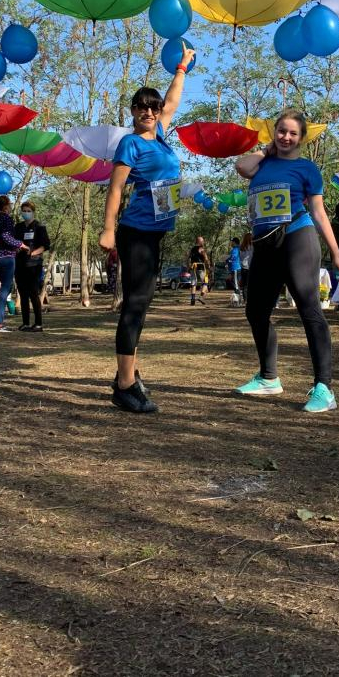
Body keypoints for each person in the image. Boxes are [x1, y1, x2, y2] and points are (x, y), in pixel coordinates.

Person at [99, 42, 195, 413]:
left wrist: (182, 68)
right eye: (141, 107)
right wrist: (109, 230)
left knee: (142, 305)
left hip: (154, 234)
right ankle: (124, 385)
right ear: (133, 112)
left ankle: (129, 373)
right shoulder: (131, 144)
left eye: (152, 108)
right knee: (135, 305)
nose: (149, 112)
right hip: (135, 231)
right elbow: (116, 187)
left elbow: (171, 102)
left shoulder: (163, 137)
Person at [234, 110, 339, 413]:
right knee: (255, 311)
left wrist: (336, 254)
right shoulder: (262, 163)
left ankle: (324, 388)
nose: (286, 137)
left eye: (292, 134)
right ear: (274, 133)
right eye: (281, 131)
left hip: (297, 236)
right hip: (264, 245)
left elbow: (320, 212)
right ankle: (269, 377)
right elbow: (241, 167)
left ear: (302, 138)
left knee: (309, 307)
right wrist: (264, 151)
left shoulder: (306, 168)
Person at [0, 195, 28, 333]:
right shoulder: (6, 218)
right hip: (6, 256)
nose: (10, 208)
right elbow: (6, 236)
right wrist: (20, 244)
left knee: (5, 288)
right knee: (6, 288)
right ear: (6, 206)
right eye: (9, 206)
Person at [13, 200, 51, 332]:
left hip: (34, 265)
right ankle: (25, 323)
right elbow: (13, 243)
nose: (26, 213)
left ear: (33, 212)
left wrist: (33, 253)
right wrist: (16, 249)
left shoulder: (39, 227)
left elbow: (45, 245)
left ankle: (38, 324)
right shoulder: (18, 227)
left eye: (29, 211)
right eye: (24, 211)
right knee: (23, 294)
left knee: (33, 293)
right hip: (20, 264)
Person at [189, 236, 210, 305]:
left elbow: (187, 258)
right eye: (202, 241)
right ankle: (201, 297)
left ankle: (192, 299)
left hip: (193, 268)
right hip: (201, 268)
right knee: (205, 282)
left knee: (193, 284)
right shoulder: (201, 249)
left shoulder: (191, 249)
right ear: (199, 242)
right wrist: (208, 266)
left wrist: (188, 266)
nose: (203, 242)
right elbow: (206, 259)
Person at [238, 232, 253, 303]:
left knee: (244, 285)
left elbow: (240, 258)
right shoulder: (253, 246)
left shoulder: (241, 247)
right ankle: (249, 299)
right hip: (251, 267)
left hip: (243, 267)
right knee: (250, 284)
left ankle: (245, 300)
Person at [227, 237, 242, 303]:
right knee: (234, 283)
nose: (231, 243)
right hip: (234, 268)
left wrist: (228, 260)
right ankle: (238, 299)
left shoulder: (236, 249)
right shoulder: (235, 249)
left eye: (232, 241)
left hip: (236, 268)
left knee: (236, 284)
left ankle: (238, 300)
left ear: (235, 242)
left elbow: (233, 257)